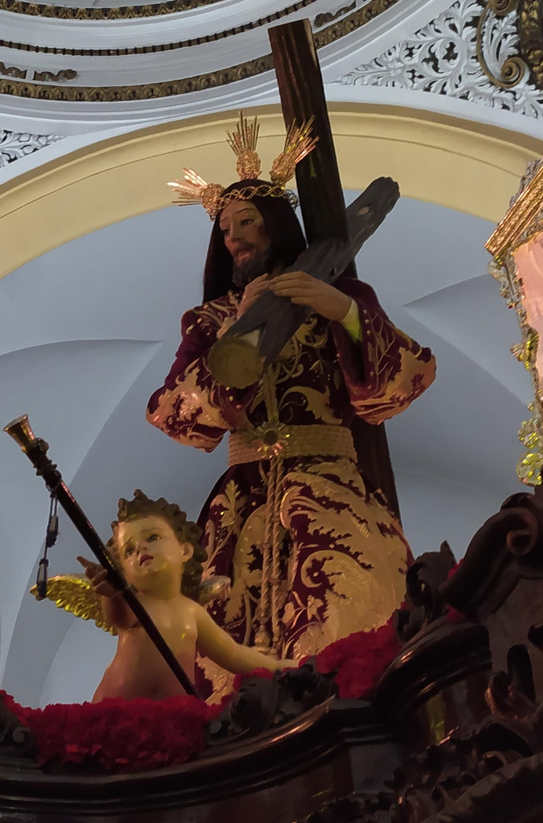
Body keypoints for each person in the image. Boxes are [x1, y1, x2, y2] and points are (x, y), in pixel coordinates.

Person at [148, 118, 436, 688]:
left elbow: (406, 379)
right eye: (225, 229)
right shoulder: (208, 320)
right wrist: (236, 333)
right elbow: (171, 414)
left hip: (329, 483)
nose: (234, 238)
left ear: (277, 225)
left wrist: (343, 312)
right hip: (241, 502)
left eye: (247, 222)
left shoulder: (339, 297)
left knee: (348, 610)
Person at [77, 491, 293, 702]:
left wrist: (278, 667)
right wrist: (113, 594)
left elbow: (233, 654)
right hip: (118, 708)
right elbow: (119, 617)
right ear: (125, 573)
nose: (140, 548)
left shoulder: (192, 612)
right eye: (129, 551)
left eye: (152, 537)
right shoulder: (135, 603)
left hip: (172, 713)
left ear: (185, 551)